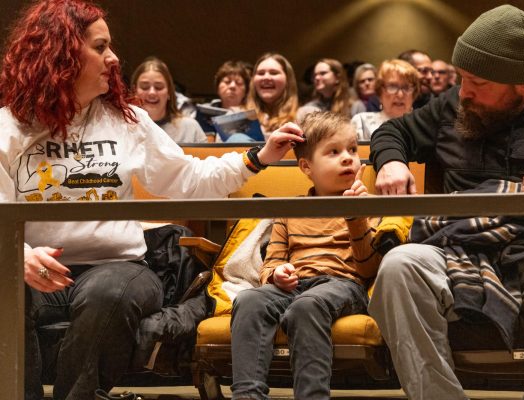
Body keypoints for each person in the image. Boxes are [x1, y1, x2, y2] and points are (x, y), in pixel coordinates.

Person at [0, 1, 304, 399]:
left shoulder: (128, 121)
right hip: (33, 270)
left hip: (119, 267)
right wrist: (17, 254)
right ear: (61, 54)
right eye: (100, 47)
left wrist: (257, 158)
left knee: (109, 293)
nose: (114, 57)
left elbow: (188, 179)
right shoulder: (11, 126)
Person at [369, 5, 524, 400]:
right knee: (398, 266)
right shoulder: (454, 105)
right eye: (461, 78)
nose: (463, 93)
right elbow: (394, 131)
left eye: (477, 82)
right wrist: (390, 161)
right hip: (459, 250)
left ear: (523, 86)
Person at [230, 111, 382, 400]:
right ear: (306, 166)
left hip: (343, 285)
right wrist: (275, 273)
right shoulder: (291, 209)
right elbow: (273, 259)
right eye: (334, 152)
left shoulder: (368, 205)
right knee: (249, 299)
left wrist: (355, 218)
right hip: (296, 284)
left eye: (352, 150)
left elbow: (368, 269)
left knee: (307, 306)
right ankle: (247, 395)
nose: (348, 158)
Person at [131, 57, 207, 143]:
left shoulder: (190, 127)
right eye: (145, 87)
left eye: (158, 87)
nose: (152, 92)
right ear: (134, 92)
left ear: (169, 93)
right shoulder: (125, 128)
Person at [351, 59, 419, 141]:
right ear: (380, 92)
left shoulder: (424, 126)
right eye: (392, 86)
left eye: (406, 87)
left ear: (414, 93)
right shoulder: (362, 123)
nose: (400, 95)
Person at [245, 52, 299, 140]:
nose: (266, 77)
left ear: (288, 80)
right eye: (261, 73)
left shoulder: (305, 116)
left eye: (274, 73)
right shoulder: (237, 116)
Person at [196, 60, 251, 141]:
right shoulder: (204, 111)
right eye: (227, 82)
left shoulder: (256, 112)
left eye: (238, 83)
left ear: (246, 90)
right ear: (217, 87)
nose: (232, 86)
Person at [297, 58, 366, 121]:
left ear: (337, 78)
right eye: (315, 75)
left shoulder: (355, 106)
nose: (317, 78)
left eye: (323, 73)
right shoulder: (309, 108)